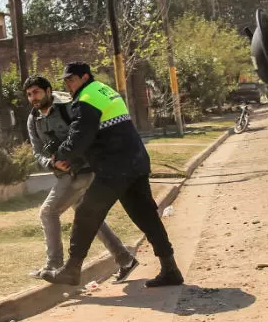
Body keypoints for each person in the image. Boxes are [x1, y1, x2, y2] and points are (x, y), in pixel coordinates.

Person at [40, 62, 182, 288]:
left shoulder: (86, 98)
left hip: (115, 166)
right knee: (146, 215)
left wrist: (60, 155)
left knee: (87, 212)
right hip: (135, 161)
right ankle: (170, 268)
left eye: (72, 79)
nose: (68, 84)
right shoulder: (106, 91)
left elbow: (80, 136)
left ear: (85, 77)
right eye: (66, 80)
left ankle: (72, 269)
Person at [25, 75, 138, 280]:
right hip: (63, 173)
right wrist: (52, 163)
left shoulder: (69, 106)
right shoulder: (33, 119)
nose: (33, 97)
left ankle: (54, 266)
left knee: (48, 212)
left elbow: (87, 134)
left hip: (84, 170)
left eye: (37, 92)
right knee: (89, 217)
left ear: (48, 91)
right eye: (29, 94)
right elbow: (37, 151)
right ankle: (125, 259)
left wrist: (70, 155)